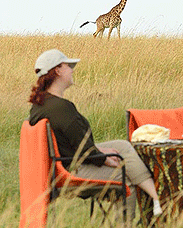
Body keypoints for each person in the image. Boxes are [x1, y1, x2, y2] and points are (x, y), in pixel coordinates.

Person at [27, 49, 163, 216]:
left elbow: (76, 144)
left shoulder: (42, 104)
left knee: (121, 146)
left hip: (65, 161)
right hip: (72, 169)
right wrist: (104, 158)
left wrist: (101, 152)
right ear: (58, 70)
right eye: (69, 66)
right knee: (125, 180)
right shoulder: (61, 108)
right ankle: (155, 204)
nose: (72, 70)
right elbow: (83, 148)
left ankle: (156, 197)